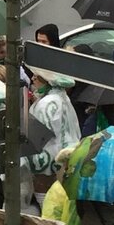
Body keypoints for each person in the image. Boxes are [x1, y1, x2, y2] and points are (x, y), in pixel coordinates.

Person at [25, 69, 80, 208]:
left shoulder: (47, 103)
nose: (32, 79)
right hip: (65, 155)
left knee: (47, 201)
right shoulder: (61, 98)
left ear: (47, 80)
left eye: (37, 77)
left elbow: (41, 134)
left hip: (48, 158)